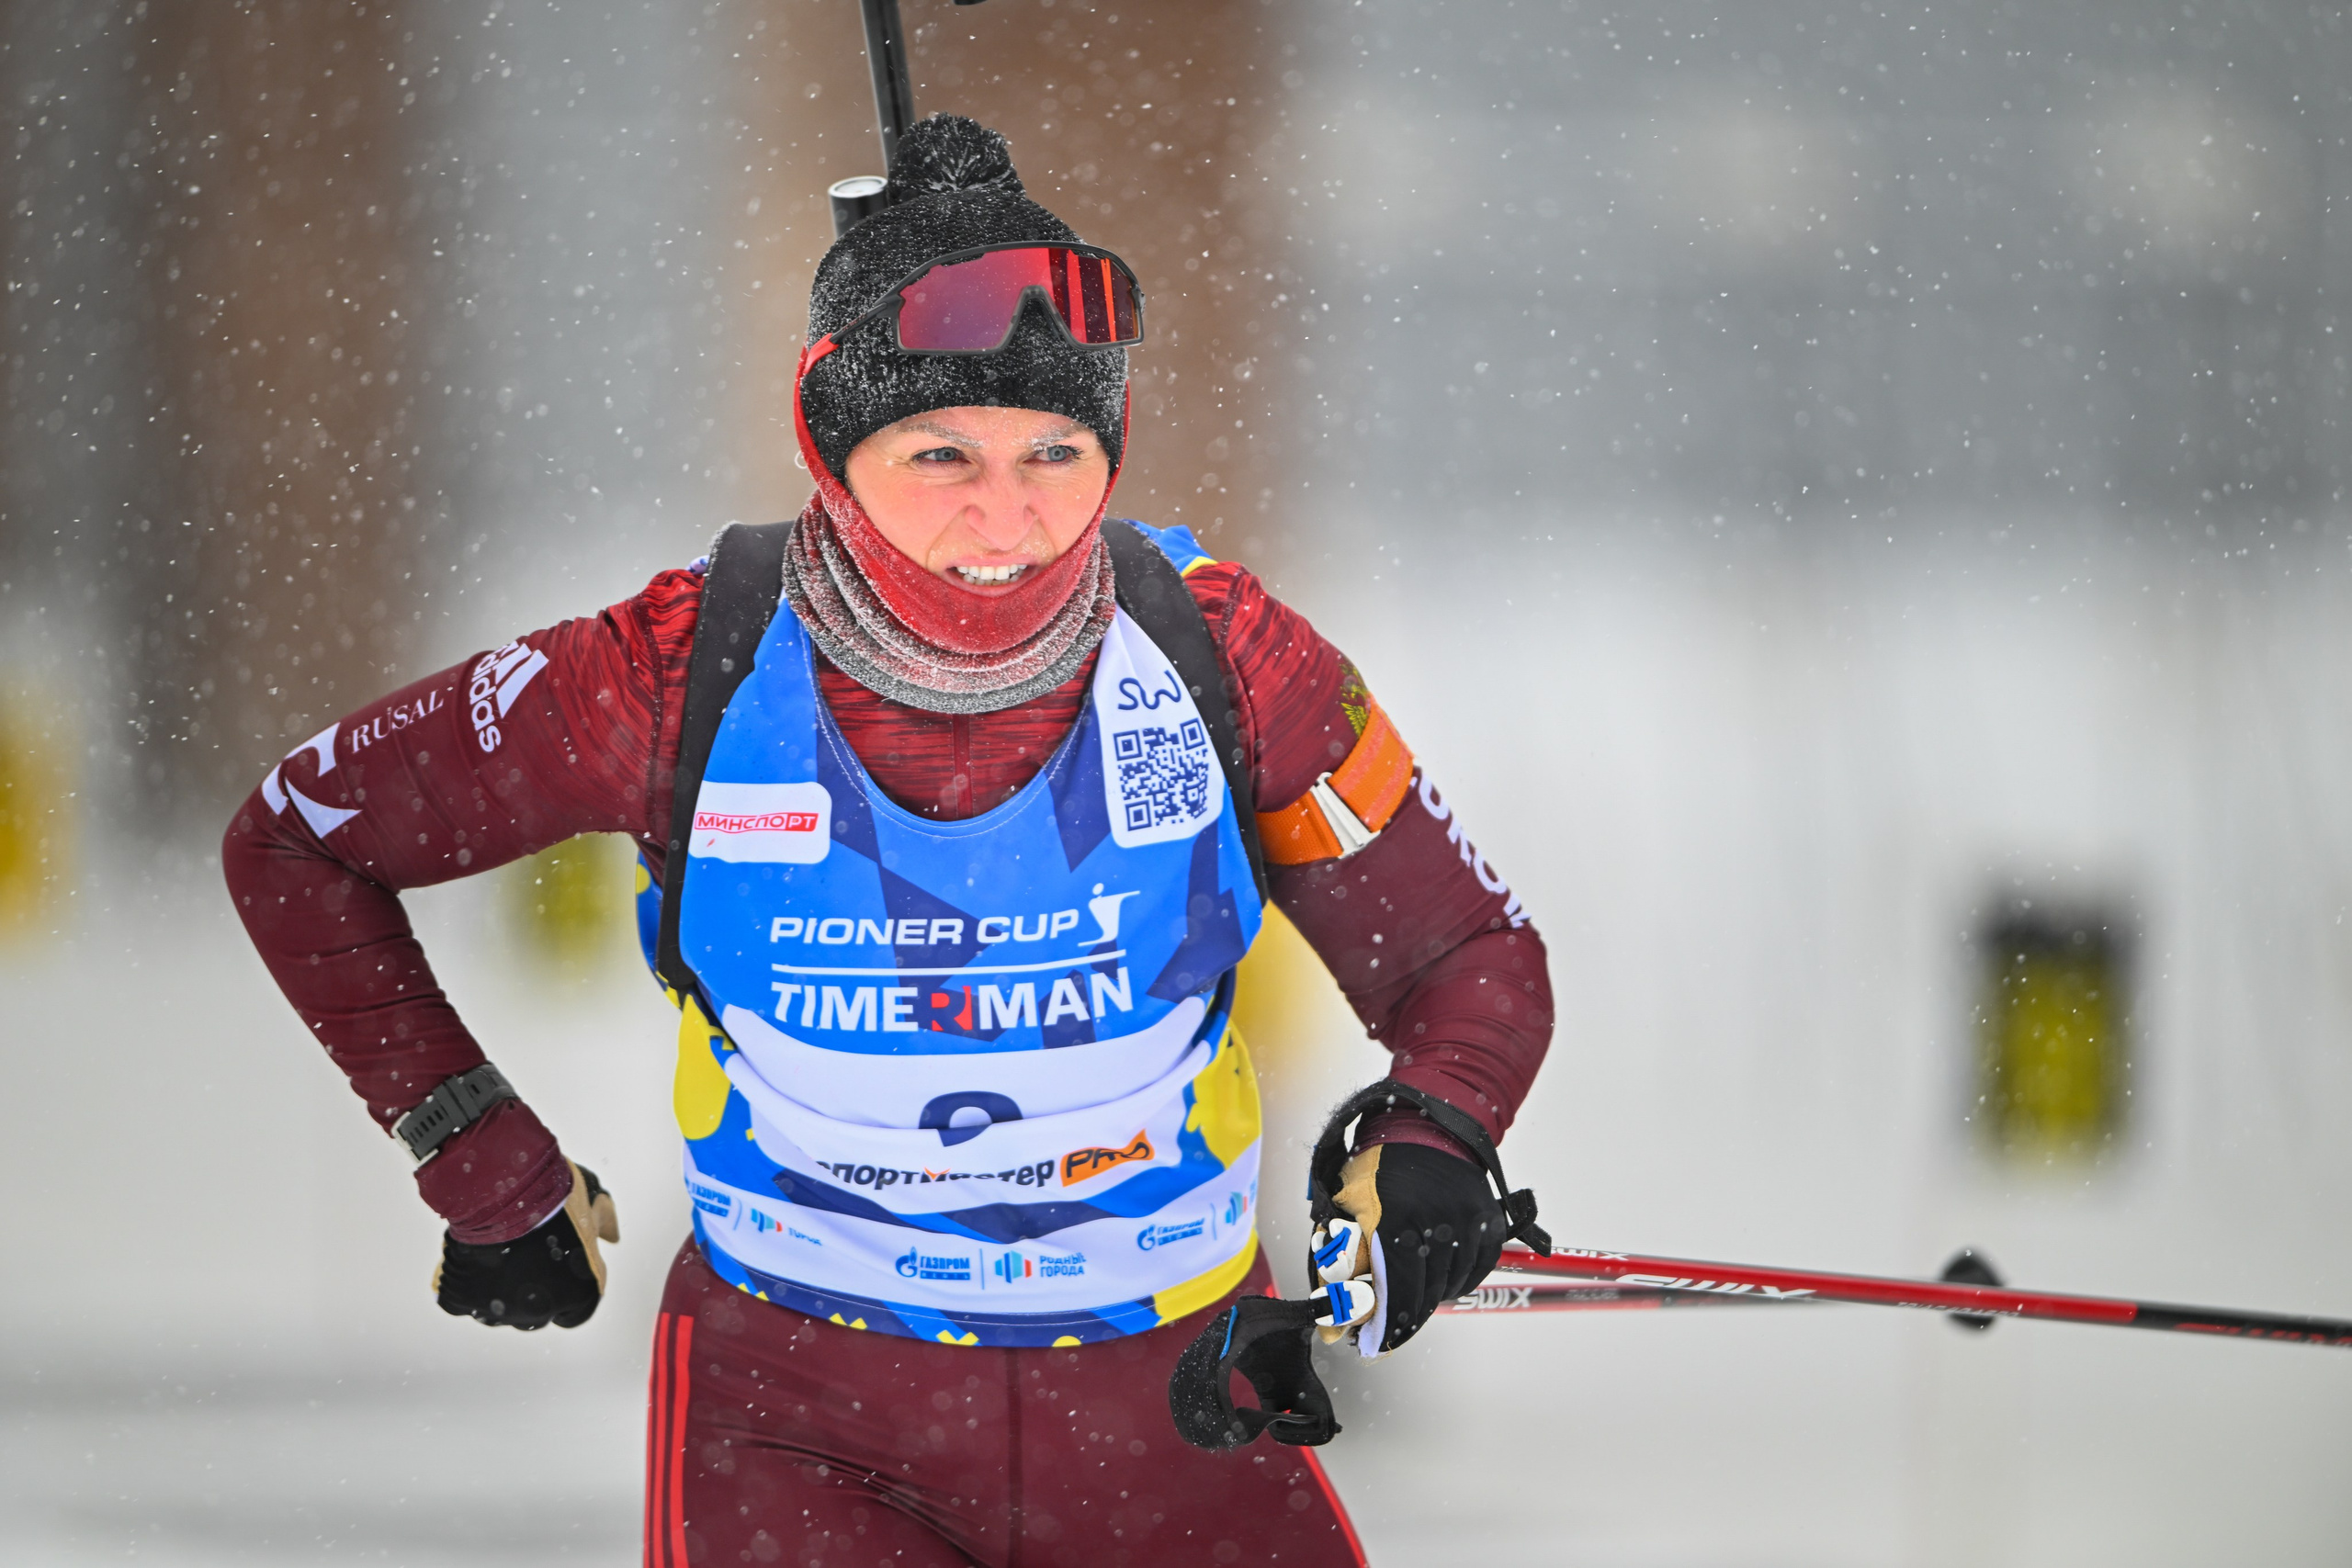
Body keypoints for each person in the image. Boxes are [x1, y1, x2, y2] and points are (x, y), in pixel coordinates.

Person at [223, 114, 1552, 1567]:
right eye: (939, 453)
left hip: (1175, 1399)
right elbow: (299, 839)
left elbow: (1465, 949)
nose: (1009, 515)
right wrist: (476, 1154)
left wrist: (1434, 1131)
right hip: (803, 1417)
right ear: (829, 438)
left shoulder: (1220, 650)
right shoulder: (676, 669)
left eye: (1058, 447)